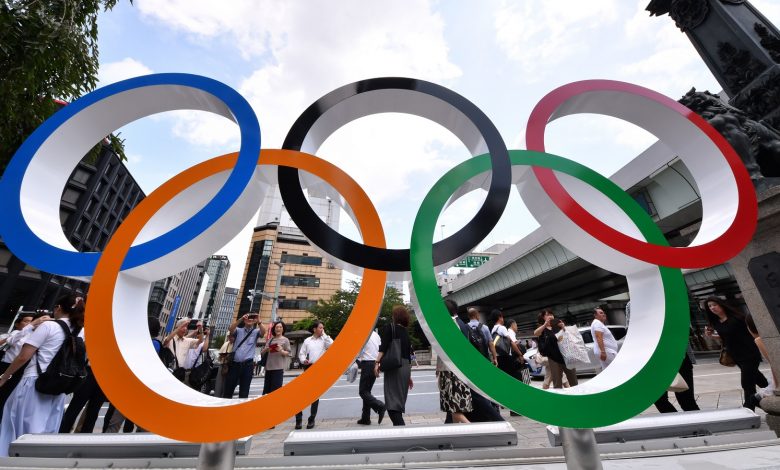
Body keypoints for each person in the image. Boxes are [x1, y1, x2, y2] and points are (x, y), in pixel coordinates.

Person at [0, 295, 85, 456]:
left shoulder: (49, 326)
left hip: (34, 381)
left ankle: (10, 459)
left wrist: (5, 377)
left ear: (59, 308)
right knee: (47, 429)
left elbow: (23, 356)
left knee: (18, 426)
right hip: (59, 385)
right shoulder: (81, 331)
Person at [704, 297, 769, 410]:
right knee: (759, 380)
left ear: (721, 304)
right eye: (709, 306)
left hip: (749, 353)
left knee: (747, 384)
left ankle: (748, 408)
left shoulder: (737, 318)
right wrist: (711, 336)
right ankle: (772, 397)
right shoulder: (716, 322)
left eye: (714, 304)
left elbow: (752, 332)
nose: (712, 308)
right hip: (735, 355)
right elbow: (726, 336)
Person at [374, 306, 414, 426]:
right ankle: (401, 431)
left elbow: (383, 347)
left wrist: (377, 363)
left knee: (392, 406)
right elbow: (408, 354)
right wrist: (409, 376)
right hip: (405, 368)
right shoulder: (405, 332)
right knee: (398, 404)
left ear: (395, 317)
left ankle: (403, 432)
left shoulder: (390, 328)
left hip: (394, 367)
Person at [436, 300, 472, 424]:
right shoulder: (461, 323)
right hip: (460, 370)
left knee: (454, 409)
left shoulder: (450, 324)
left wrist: (438, 367)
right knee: (454, 410)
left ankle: (473, 430)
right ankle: (455, 432)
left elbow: (445, 348)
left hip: (451, 371)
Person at [0, 312, 40, 423]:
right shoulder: (18, 332)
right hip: (6, 365)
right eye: (26, 321)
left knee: (7, 397)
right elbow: (10, 341)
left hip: (21, 369)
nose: (28, 323)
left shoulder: (38, 335)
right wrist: (30, 326)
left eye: (30, 321)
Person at [296, 321, 333, 429]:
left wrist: (324, 335)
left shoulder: (325, 340)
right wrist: (303, 360)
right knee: (300, 395)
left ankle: (311, 419)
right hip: (308, 367)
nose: (322, 329)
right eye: (320, 328)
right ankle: (298, 419)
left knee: (315, 396)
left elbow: (332, 345)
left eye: (323, 328)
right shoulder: (307, 340)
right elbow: (301, 353)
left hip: (319, 369)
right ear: (314, 329)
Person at [222, 313, 265, 399]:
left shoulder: (256, 332)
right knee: (228, 389)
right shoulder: (238, 330)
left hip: (248, 365)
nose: (249, 319)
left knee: (244, 391)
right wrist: (241, 319)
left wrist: (259, 321)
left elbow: (263, 332)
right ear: (244, 320)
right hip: (235, 364)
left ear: (254, 321)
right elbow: (231, 329)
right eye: (248, 317)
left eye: (252, 318)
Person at [534, 309, 577, 388]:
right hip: (553, 359)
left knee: (573, 380)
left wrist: (563, 327)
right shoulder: (543, 329)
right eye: (547, 315)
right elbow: (536, 333)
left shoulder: (558, 326)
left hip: (567, 356)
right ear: (543, 317)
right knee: (557, 383)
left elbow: (570, 337)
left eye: (551, 314)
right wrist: (545, 324)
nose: (550, 316)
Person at [745, 313, 779, 409]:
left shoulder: (760, 340)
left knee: (754, 399)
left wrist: (776, 388)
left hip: (776, 380)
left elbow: (774, 364)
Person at [162, 318, 206, 387]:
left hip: (180, 373)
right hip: (168, 371)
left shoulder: (187, 341)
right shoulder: (170, 338)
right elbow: (166, 341)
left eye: (186, 327)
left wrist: (200, 329)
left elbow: (200, 341)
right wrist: (181, 326)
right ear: (177, 327)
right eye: (183, 327)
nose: (185, 329)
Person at [356, 328, 386, 425]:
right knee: (367, 391)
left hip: (367, 363)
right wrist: (378, 364)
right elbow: (380, 349)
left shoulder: (363, 334)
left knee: (363, 392)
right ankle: (365, 418)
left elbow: (358, 350)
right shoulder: (376, 335)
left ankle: (380, 406)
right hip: (375, 363)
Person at [261, 321, 291, 397]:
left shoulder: (285, 340)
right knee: (266, 392)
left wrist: (281, 350)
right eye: (277, 327)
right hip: (268, 368)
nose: (278, 328)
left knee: (275, 392)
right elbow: (262, 353)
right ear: (274, 329)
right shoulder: (270, 340)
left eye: (280, 327)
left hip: (278, 369)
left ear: (283, 329)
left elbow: (288, 353)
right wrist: (266, 349)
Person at [215, 333, 235, 399]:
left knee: (227, 386)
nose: (230, 338)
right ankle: (217, 398)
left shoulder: (236, 344)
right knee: (219, 385)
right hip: (223, 365)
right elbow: (219, 357)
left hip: (232, 367)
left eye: (232, 336)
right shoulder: (226, 344)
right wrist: (224, 356)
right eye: (229, 336)